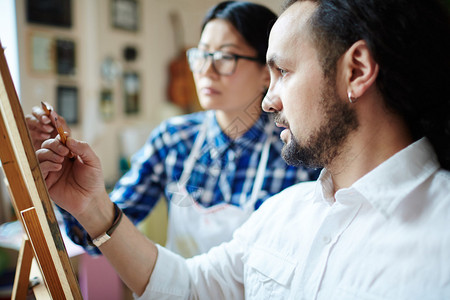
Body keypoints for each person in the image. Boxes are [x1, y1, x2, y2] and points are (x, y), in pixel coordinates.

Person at [36, 0, 450, 298]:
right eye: (202, 55)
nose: (270, 101)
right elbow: (192, 287)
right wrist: (90, 206)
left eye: (282, 72)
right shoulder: (286, 211)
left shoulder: (438, 239)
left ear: (356, 71)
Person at [26, 1, 320, 258]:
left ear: (265, 72)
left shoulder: (293, 147)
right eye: (202, 54)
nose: (206, 70)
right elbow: (100, 237)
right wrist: (74, 190)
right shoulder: (174, 139)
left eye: (225, 57)